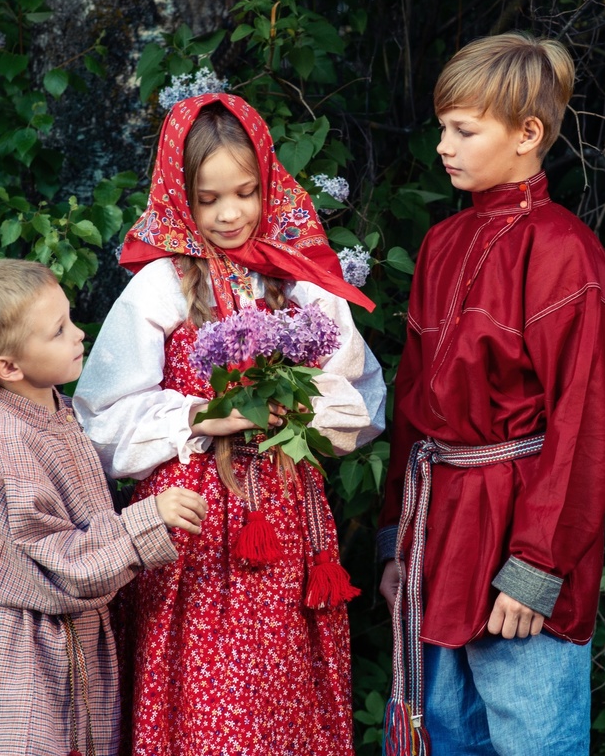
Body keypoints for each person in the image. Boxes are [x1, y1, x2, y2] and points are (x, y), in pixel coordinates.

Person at [74, 93, 386, 756]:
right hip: (191, 527)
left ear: (269, 180)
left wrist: (300, 410)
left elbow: (362, 397)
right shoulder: (160, 284)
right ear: (180, 195)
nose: (230, 213)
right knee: (204, 698)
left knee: (278, 690)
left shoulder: (301, 281)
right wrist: (207, 415)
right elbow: (99, 420)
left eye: (245, 192)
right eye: (209, 198)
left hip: (282, 520)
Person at [377, 33, 605, 756]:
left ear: (528, 134)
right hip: (440, 538)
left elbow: (589, 425)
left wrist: (536, 567)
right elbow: (413, 406)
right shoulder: (441, 244)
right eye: (442, 128)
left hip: (521, 544)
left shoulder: (564, 253)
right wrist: (397, 539)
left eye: (463, 129)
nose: (443, 146)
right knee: (449, 737)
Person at [0, 257, 206, 756]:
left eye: (70, 320)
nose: (79, 335)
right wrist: (148, 518)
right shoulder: (10, 442)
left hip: (69, 642)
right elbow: (59, 563)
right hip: (24, 656)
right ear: (8, 367)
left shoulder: (57, 411)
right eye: (58, 331)